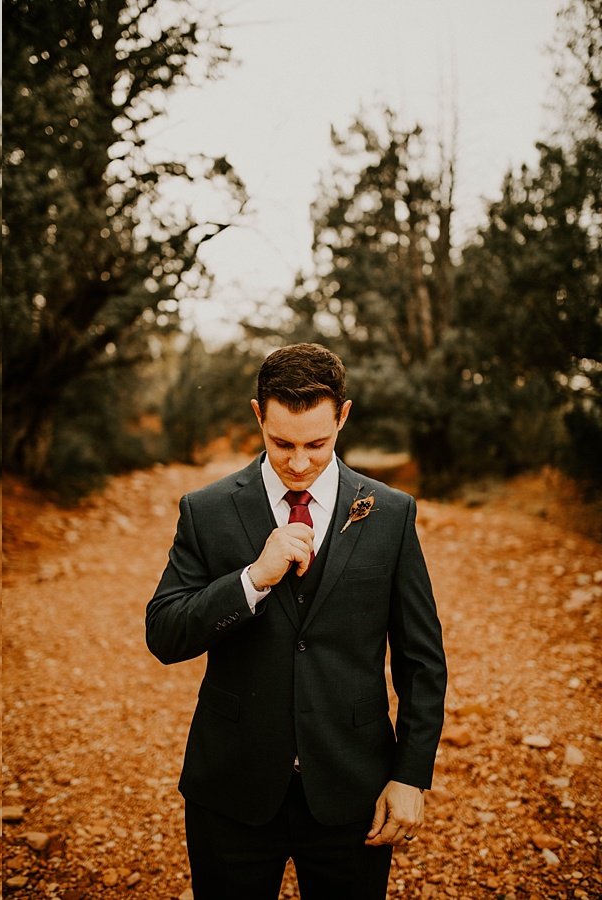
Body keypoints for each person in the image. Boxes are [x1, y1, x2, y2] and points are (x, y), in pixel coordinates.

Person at [146, 343, 446, 899]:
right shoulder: (206, 510)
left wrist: (410, 775)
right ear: (258, 414)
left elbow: (421, 660)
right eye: (282, 442)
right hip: (231, 789)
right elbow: (165, 633)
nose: (300, 462)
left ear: (344, 417)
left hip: (353, 788)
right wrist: (253, 578)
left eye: (318, 443)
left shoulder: (392, 513)